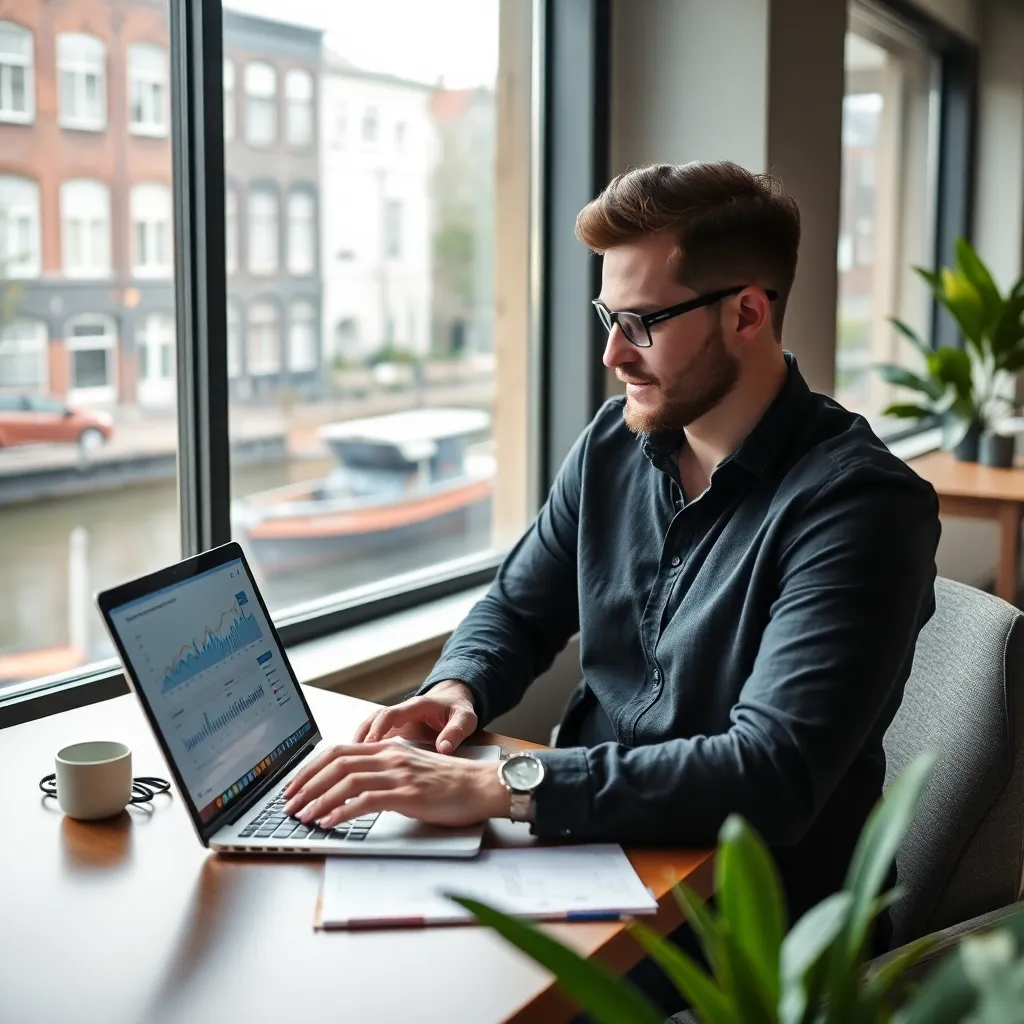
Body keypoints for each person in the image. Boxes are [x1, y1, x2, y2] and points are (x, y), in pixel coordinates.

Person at [284, 160, 941, 1012]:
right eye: (608, 316)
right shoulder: (613, 443)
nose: (611, 353)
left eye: (641, 322)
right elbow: (519, 606)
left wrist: (499, 786)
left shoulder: (861, 507)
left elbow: (768, 773)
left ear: (747, 312)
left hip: (747, 929)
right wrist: (456, 689)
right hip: (588, 851)